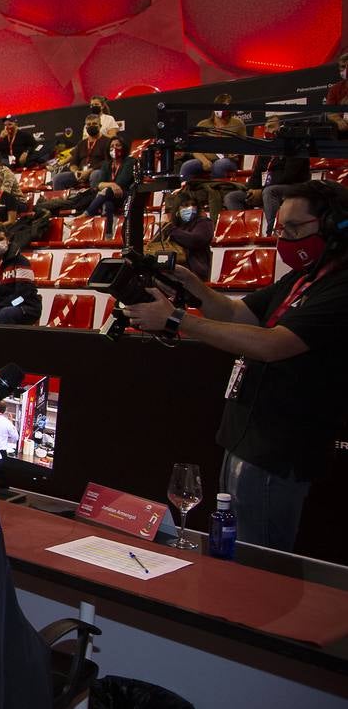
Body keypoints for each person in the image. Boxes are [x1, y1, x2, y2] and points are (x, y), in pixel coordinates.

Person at [123, 183, 348, 551]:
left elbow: (275, 344)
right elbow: (236, 312)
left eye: (294, 229)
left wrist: (179, 320)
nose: (284, 238)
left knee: (256, 557)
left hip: (281, 446)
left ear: (335, 226)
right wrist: (195, 286)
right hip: (246, 436)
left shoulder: (339, 287)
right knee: (233, 544)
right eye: (280, 229)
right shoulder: (302, 277)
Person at [227, 115, 311, 228]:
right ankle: (243, 229)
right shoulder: (267, 148)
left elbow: (289, 176)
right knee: (232, 197)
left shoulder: (296, 146)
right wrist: (252, 189)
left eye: (271, 127)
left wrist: (261, 190)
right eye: (266, 127)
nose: (267, 130)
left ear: (282, 127)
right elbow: (257, 173)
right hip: (268, 188)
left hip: (293, 186)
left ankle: (274, 229)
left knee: (269, 192)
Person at [179, 93, 246, 182]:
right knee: (187, 166)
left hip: (228, 161)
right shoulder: (203, 124)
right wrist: (204, 161)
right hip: (206, 160)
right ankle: (186, 192)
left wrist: (236, 152)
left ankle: (216, 192)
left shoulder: (238, 124)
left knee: (219, 165)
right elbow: (194, 148)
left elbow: (245, 144)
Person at [83, 137, 138, 236]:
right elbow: (99, 184)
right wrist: (112, 185)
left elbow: (122, 182)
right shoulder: (107, 164)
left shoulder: (130, 162)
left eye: (118, 145)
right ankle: (108, 234)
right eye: (112, 146)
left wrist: (109, 186)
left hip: (126, 195)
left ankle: (86, 214)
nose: (115, 148)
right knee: (108, 203)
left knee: (107, 191)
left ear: (123, 147)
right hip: (111, 196)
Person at [155, 194, 215, 281]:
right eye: (186, 205)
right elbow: (155, 243)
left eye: (193, 204)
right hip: (169, 269)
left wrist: (172, 231)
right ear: (177, 209)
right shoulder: (170, 225)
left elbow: (196, 240)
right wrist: (166, 228)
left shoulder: (204, 222)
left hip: (195, 271)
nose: (190, 208)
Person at [50, 115, 110, 189]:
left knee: (96, 174)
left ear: (100, 126)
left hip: (96, 171)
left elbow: (107, 161)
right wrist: (76, 172)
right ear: (86, 127)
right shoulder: (81, 143)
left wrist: (89, 171)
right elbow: (73, 163)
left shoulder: (107, 141)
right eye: (89, 124)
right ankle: (59, 200)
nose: (91, 126)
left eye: (94, 124)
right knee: (58, 178)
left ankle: (93, 198)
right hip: (80, 173)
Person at [328, 49, 347, 137]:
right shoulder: (335, 89)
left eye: (346, 66)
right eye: (342, 67)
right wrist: (339, 120)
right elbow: (330, 113)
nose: (344, 70)